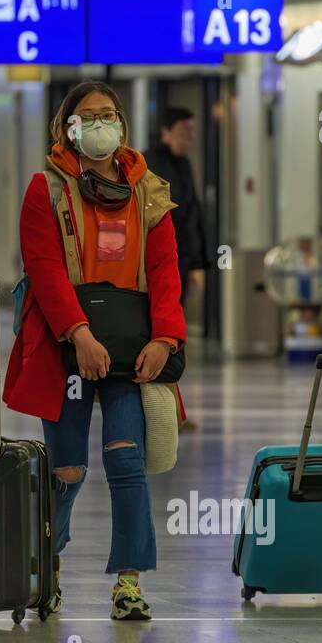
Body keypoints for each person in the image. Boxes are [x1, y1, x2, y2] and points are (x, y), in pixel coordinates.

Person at [4, 82, 185, 621]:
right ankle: (45, 566)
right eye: (88, 116)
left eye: (109, 114)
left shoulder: (149, 189)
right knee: (67, 468)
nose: (101, 123)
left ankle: (129, 582)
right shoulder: (47, 189)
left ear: (123, 125)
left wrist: (165, 338)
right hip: (68, 347)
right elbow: (45, 268)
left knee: (127, 460)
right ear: (67, 129)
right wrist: (79, 334)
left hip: (132, 348)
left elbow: (164, 270)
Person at [144, 107, 210, 432]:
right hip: (154, 267)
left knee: (174, 337)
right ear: (166, 132)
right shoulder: (146, 165)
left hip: (180, 263)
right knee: (162, 336)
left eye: (192, 133)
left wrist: (198, 264)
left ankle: (172, 411)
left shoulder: (183, 165)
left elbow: (194, 212)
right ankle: (163, 412)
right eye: (183, 133)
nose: (189, 139)